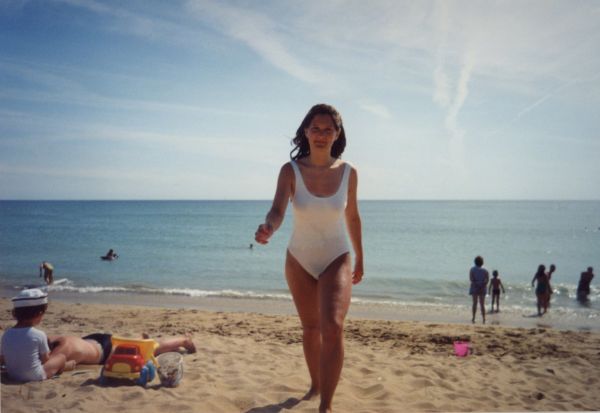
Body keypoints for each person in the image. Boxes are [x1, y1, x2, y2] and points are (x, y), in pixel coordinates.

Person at [254, 103, 363, 413]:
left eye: (328, 129)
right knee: (311, 328)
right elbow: (277, 210)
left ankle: (325, 406)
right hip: (299, 258)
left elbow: (353, 217)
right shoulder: (290, 171)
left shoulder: (348, 173)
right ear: (305, 131)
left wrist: (360, 257)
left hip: (337, 256)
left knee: (332, 327)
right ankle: (315, 385)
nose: (321, 134)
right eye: (315, 128)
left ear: (337, 134)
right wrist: (268, 228)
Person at [0, 289, 74, 382]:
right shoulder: (39, 334)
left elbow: (2, 359)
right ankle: (65, 366)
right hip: (35, 376)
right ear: (39, 313)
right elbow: (45, 360)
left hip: (13, 375)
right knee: (61, 357)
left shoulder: (6, 334)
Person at [48, 333, 196, 366]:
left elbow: (44, 371)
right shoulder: (52, 339)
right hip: (92, 340)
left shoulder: (62, 350)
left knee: (152, 349)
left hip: (104, 351)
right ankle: (174, 345)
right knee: (146, 347)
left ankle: (183, 340)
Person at [469, 256, 489, 324]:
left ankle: (473, 318)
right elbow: (487, 280)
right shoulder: (485, 270)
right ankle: (484, 318)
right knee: (482, 304)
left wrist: (476, 285)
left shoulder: (472, 269)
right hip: (482, 287)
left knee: (474, 303)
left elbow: (471, 279)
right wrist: (482, 285)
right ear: (482, 262)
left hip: (474, 287)